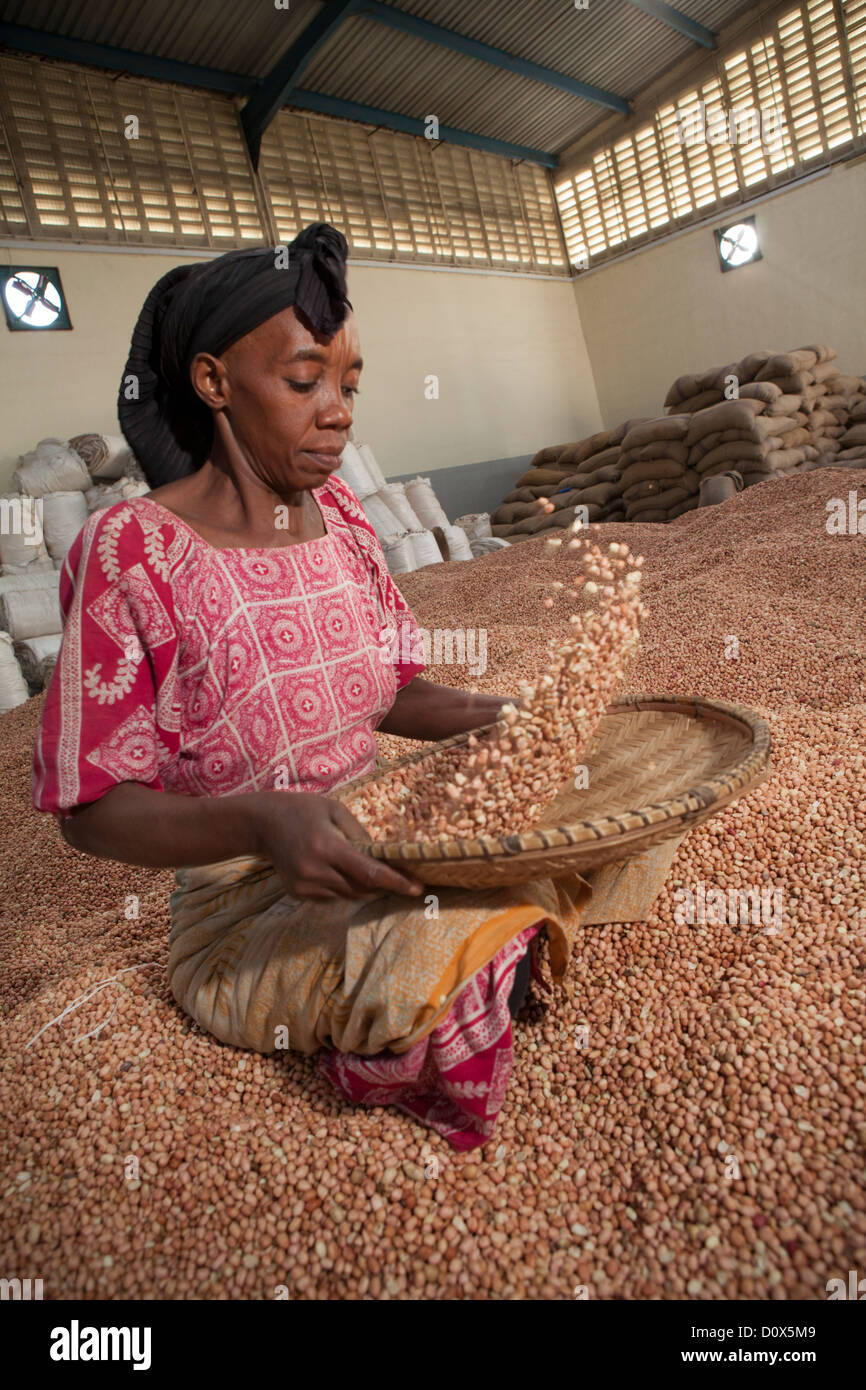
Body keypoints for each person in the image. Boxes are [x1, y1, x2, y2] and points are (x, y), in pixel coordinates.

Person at [31, 223, 588, 1150]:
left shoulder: (338, 518)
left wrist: (501, 718)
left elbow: (386, 690)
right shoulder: (131, 550)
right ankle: (407, 1006)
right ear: (214, 382)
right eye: (304, 381)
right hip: (246, 898)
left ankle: (466, 960)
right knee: (432, 947)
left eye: (350, 384)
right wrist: (265, 822)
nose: (338, 411)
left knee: (581, 832)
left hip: (379, 834)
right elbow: (90, 807)